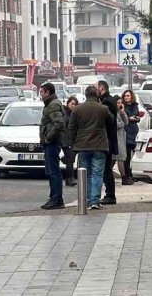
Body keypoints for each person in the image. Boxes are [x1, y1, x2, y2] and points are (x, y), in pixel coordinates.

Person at [68, 85, 113, 209]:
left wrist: (73, 142)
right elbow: (111, 121)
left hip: (82, 146)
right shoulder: (103, 109)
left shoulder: (77, 109)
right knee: (97, 174)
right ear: (97, 95)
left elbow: (71, 128)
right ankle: (95, 201)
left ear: (85, 95)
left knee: (85, 174)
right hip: (99, 146)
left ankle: (86, 200)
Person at [38, 82, 66, 210]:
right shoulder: (50, 104)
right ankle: (53, 197)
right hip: (50, 142)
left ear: (48, 92)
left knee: (54, 171)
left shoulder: (53, 104)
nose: (40, 94)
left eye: (41, 92)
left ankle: (57, 199)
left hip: (53, 142)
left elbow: (59, 123)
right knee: (50, 170)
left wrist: (48, 138)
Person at [97, 80, 119, 204]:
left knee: (106, 169)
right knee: (106, 168)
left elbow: (108, 122)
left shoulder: (107, 102)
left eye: (97, 87)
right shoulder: (106, 100)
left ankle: (110, 195)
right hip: (107, 139)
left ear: (102, 88)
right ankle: (109, 194)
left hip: (107, 140)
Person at [121, 89, 140, 185]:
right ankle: (127, 176)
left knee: (136, 156)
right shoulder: (122, 106)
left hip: (134, 132)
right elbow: (125, 117)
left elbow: (136, 116)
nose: (126, 97)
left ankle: (133, 175)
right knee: (127, 157)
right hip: (126, 132)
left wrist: (134, 118)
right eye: (125, 96)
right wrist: (129, 118)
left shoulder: (135, 105)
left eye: (128, 96)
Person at [62, 96, 79, 187]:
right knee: (70, 159)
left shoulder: (75, 113)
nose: (73, 106)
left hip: (73, 139)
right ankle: (70, 178)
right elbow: (63, 123)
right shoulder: (64, 112)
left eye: (75, 104)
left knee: (70, 158)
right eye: (72, 104)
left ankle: (69, 179)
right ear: (68, 103)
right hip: (65, 139)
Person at [115, 99, 129, 184]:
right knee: (120, 158)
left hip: (121, 137)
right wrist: (122, 123)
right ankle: (124, 177)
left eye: (121, 103)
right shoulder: (114, 113)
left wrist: (123, 113)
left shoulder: (120, 112)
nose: (120, 104)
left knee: (118, 158)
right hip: (116, 138)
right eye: (118, 103)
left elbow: (126, 122)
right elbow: (117, 125)